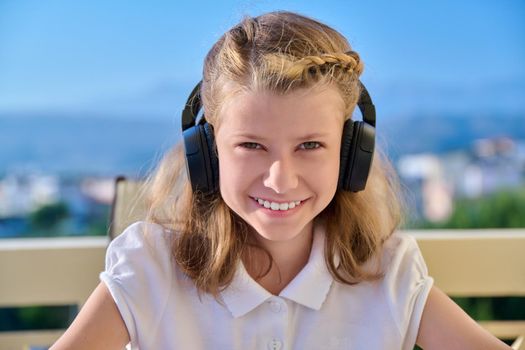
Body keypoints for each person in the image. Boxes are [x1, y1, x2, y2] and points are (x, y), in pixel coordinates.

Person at [51, 10, 511, 350]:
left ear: (350, 153)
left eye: (310, 146)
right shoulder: (147, 267)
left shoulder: (389, 273)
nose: (280, 179)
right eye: (252, 146)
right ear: (208, 152)